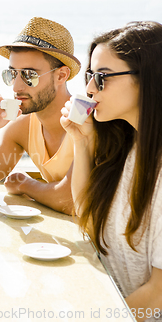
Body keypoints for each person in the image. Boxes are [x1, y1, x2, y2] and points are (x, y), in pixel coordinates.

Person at [61, 21, 162, 321]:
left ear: (148, 79)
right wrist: (83, 141)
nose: (90, 88)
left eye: (102, 78)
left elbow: (157, 294)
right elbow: (88, 218)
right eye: (90, 76)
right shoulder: (129, 146)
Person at [0, 17, 81, 214]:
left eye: (29, 75)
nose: (17, 87)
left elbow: (70, 200)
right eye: (12, 74)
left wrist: (25, 184)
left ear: (61, 75)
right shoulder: (22, 126)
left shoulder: (84, 118)